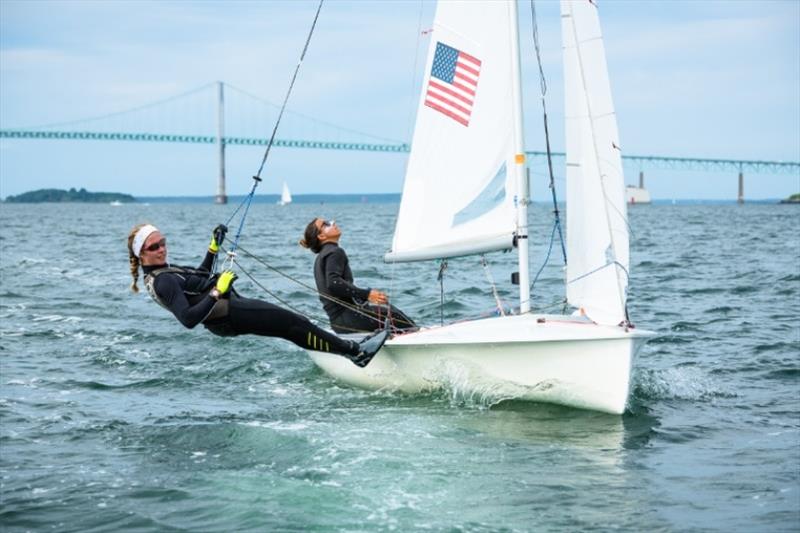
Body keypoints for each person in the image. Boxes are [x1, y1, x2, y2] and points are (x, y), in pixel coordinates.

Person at [126, 223, 388, 367]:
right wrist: (218, 291)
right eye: (154, 246)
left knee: (292, 326)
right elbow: (188, 319)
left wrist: (213, 248)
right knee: (294, 323)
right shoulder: (162, 282)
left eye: (163, 242)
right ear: (142, 253)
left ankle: (350, 351)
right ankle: (356, 352)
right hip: (228, 315)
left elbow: (199, 278)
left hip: (230, 310)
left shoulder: (164, 271)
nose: (162, 249)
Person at [300, 218, 416, 334]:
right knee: (394, 315)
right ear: (321, 236)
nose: (333, 222)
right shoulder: (335, 252)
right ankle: (417, 338)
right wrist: (368, 294)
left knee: (385, 310)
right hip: (350, 319)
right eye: (325, 224)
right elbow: (333, 284)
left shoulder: (320, 257)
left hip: (339, 323)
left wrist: (364, 298)